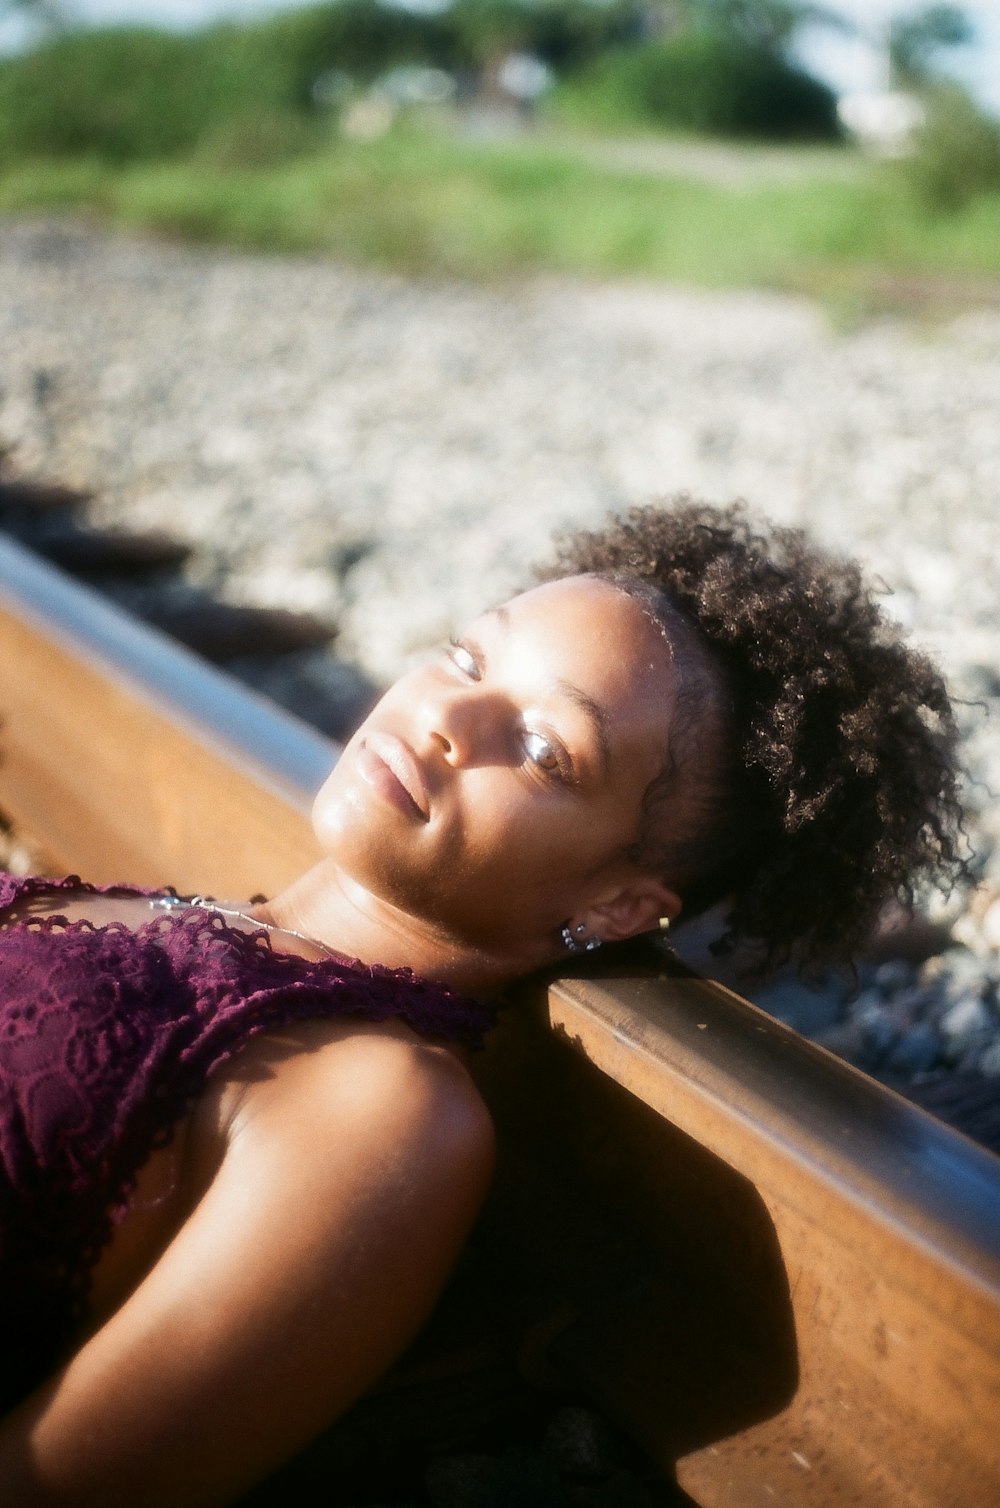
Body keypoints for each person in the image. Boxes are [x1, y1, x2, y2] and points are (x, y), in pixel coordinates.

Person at [0, 499, 963, 1505]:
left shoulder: (382, 1108)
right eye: (467, 660)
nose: (446, 718)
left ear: (618, 901)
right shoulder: (171, 910)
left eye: (546, 752)